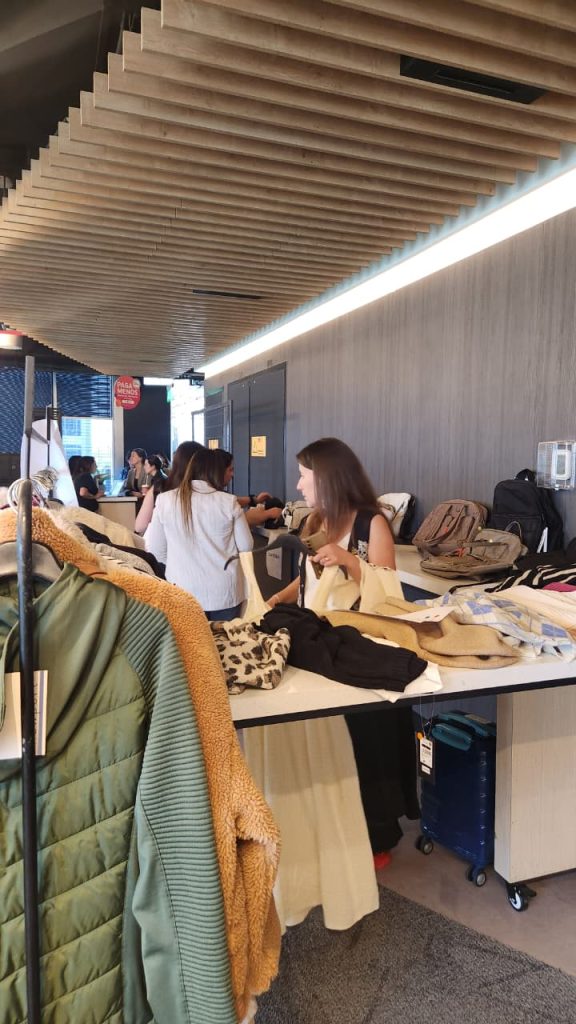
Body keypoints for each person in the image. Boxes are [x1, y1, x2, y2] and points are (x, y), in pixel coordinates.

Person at [242, 438, 415, 932]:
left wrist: (351, 561)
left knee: (365, 745)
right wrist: (282, 598)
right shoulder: (316, 521)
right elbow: (310, 577)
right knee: (331, 744)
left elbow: (389, 589)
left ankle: (377, 834)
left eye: (305, 475)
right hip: (322, 647)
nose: (299, 484)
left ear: (328, 477)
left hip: (359, 650)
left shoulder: (370, 524)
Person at [145, 446, 253, 620]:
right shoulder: (228, 502)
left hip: (182, 590)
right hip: (224, 591)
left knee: (190, 639)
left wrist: (179, 566)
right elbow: (246, 545)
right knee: (226, 637)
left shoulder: (165, 500)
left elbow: (156, 551)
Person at [135, 441, 203, 535]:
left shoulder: (162, 487)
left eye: (146, 464)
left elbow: (139, 526)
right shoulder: (218, 497)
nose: (144, 467)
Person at [212, 449, 284, 527]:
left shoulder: (217, 495)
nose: (232, 474)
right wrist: (266, 514)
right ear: (219, 471)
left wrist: (254, 500)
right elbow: (232, 523)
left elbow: (232, 501)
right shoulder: (214, 499)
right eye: (230, 470)